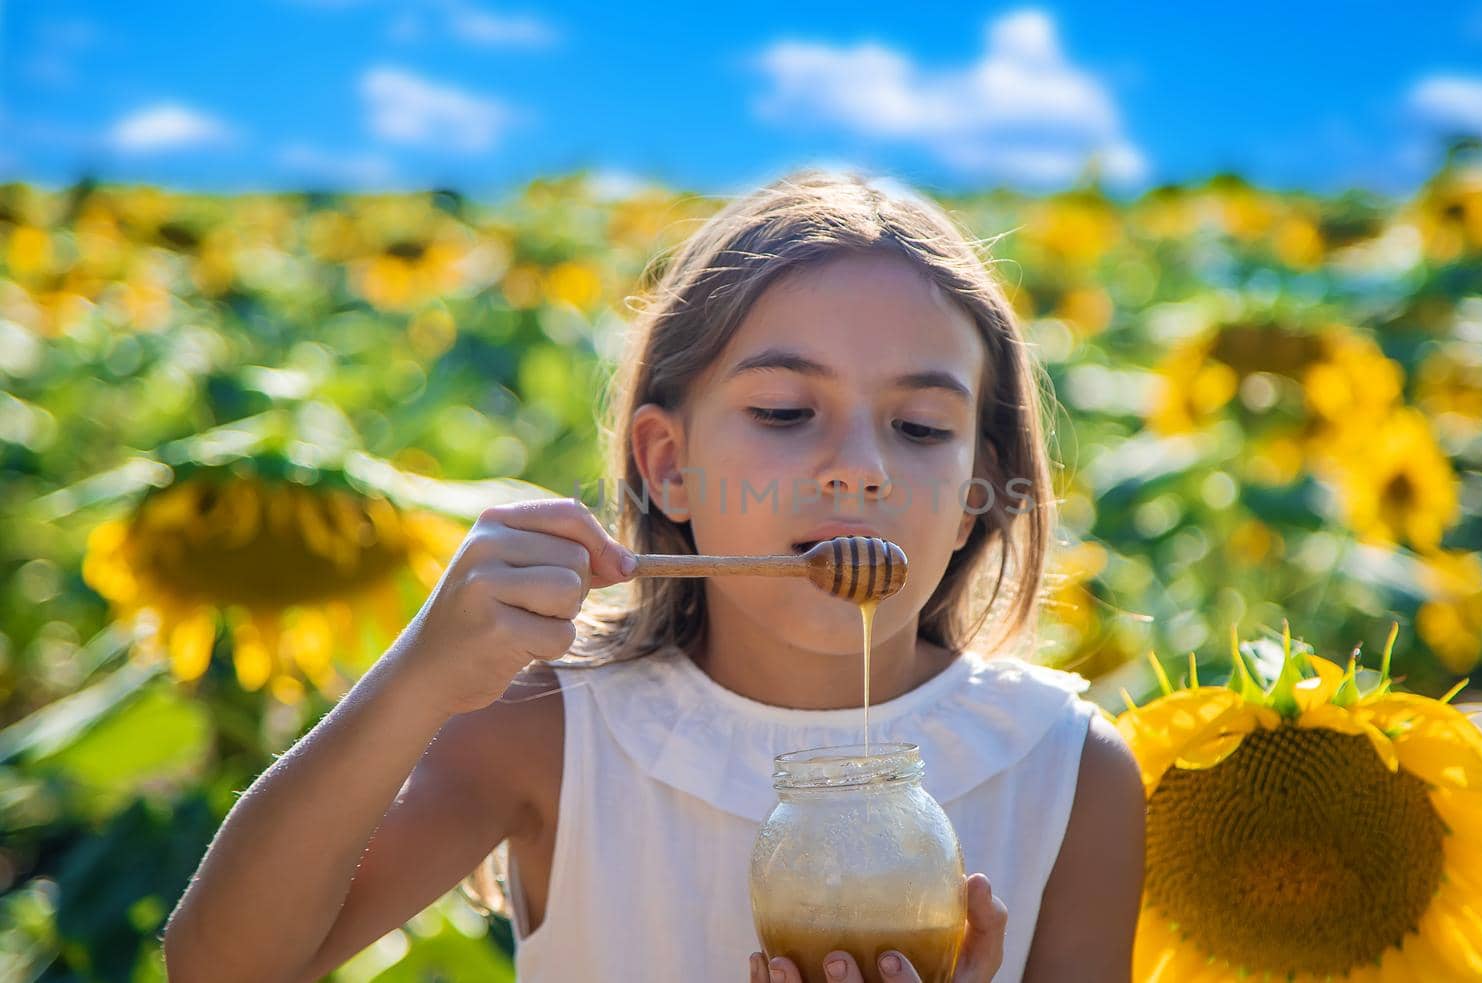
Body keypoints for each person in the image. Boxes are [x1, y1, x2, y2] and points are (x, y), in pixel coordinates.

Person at [161, 169, 1146, 983]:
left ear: (978, 484)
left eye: (921, 426)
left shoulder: (1064, 768)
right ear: (668, 461)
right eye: (784, 412)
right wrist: (419, 676)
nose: (860, 466)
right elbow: (220, 966)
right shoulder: (549, 729)